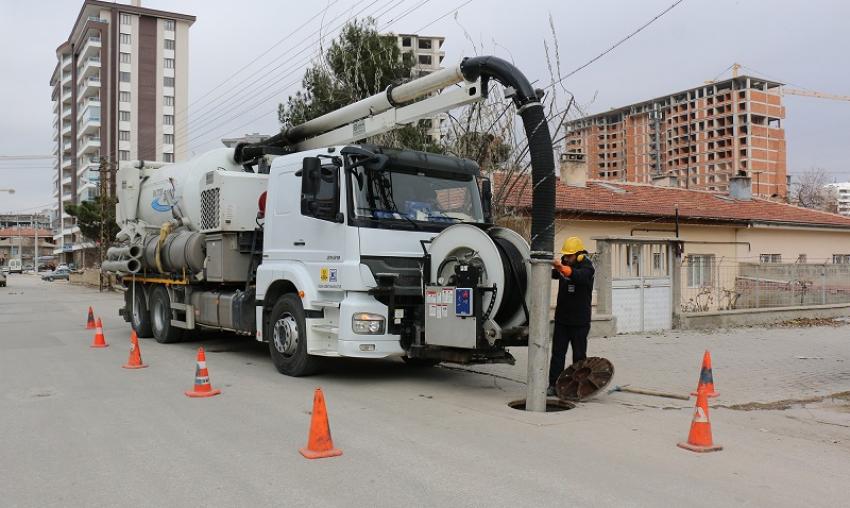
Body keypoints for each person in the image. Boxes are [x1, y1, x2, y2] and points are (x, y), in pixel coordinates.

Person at [547, 236, 595, 396]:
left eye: (570, 256)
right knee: (557, 355)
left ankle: (577, 388)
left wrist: (560, 267)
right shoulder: (565, 264)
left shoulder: (587, 268)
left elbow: (577, 275)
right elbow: (553, 273)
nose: (566, 258)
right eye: (565, 256)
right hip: (562, 320)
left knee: (579, 357)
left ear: (579, 255)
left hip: (580, 322)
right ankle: (553, 385)